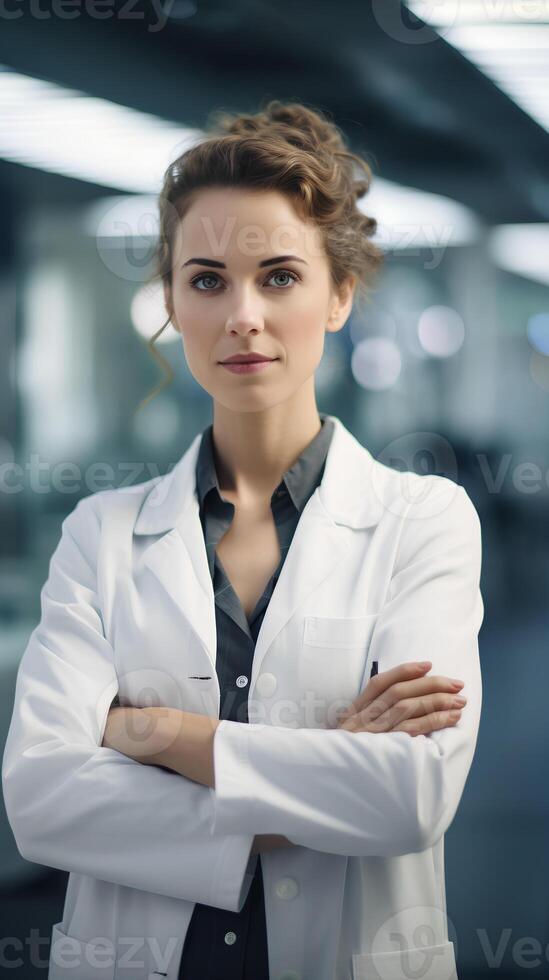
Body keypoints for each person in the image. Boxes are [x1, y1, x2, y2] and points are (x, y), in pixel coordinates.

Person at [2, 100, 483, 980]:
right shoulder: (100, 536)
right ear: (174, 303)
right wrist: (322, 775)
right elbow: (40, 800)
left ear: (339, 295)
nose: (243, 315)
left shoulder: (424, 519)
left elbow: (407, 797)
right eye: (209, 278)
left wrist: (153, 734)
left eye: (280, 277)